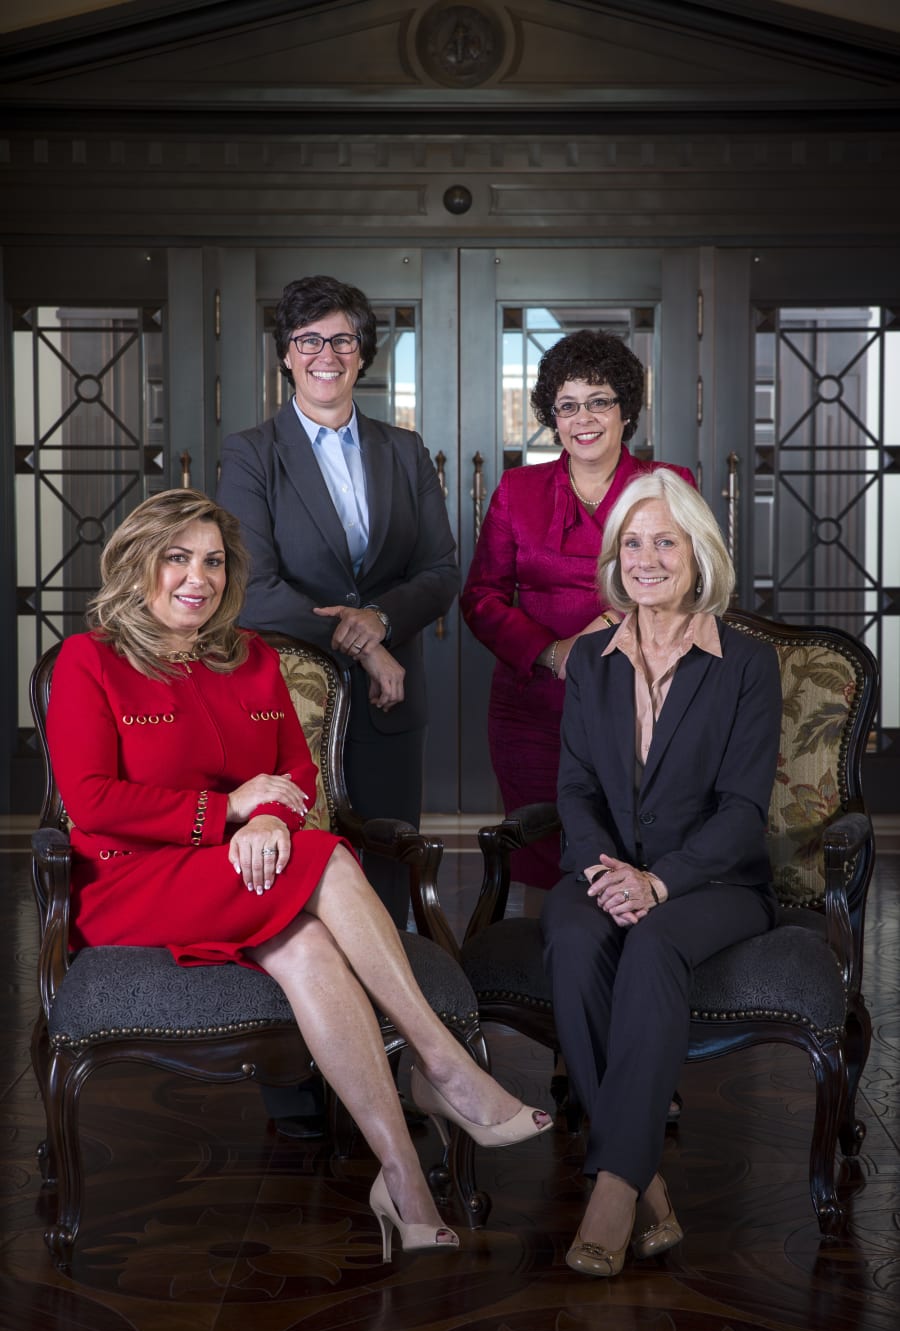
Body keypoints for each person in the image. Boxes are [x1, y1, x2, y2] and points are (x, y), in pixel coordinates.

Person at [45, 489, 552, 1263]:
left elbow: (292, 766)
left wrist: (275, 819)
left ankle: (404, 1181)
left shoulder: (249, 656)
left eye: (213, 560)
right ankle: (444, 1065)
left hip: (243, 868)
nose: (198, 576)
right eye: (177, 557)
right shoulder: (93, 659)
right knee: (327, 856)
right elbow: (90, 801)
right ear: (137, 563)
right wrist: (226, 818)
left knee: (309, 945)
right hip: (134, 883)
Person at [218, 275, 458, 1138]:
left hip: (393, 706)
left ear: (364, 354)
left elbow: (440, 569)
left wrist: (383, 618)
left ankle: (394, 1071)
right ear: (286, 356)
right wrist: (368, 642)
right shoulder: (251, 453)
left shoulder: (404, 448)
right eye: (309, 341)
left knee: (385, 878)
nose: (326, 356)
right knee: (293, 878)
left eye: (343, 341)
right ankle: (294, 1081)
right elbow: (252, 588)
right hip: (284, 702)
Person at [540, 469, 781, 1277]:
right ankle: (649, 1188)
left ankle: (612, 1189)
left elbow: (744, 812)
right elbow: (573, 787)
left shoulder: (746, 663)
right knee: (572, 937)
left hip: (715, 886)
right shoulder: (592, 662)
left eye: (664, 542)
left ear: (697, 553)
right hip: (608, 870)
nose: (645, 559)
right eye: (631, 544)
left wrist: (660, 883)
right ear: (615, 559)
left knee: (651, 948)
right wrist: (607, 874)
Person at [461, 329, 696, 891]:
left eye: (599, 400)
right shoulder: (517, 490)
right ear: (552, 415)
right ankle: (553, 977)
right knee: (548, 860)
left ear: (625, 408)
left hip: (643, 701)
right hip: (535, 707)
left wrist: (610, 625)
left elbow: (692, 582)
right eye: (567, 405)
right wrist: (553, 651)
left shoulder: (667, 484)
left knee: (629, 857)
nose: (582, 418)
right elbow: (481, 597)